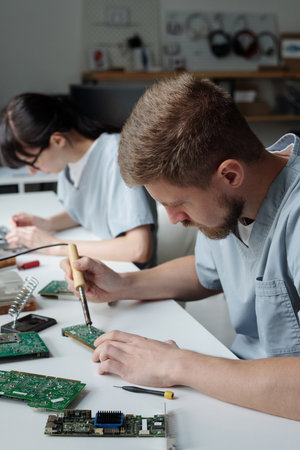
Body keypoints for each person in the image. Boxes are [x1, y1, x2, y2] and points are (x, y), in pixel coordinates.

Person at [61, 73, 300, 421]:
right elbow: (208, 272)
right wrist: (124, 285)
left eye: (179, 204)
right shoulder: (230, 202)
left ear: (230, 175)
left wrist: (177, 364)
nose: (173, 219)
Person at [0, 93, 157, 268]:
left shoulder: (116, 156)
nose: (31, 172)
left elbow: (139, 249)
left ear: (57, 140)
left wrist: (54, 246)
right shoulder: (69, 163)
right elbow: (91, 210)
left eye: (33, 162)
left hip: (129, 274)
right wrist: (47, 223)